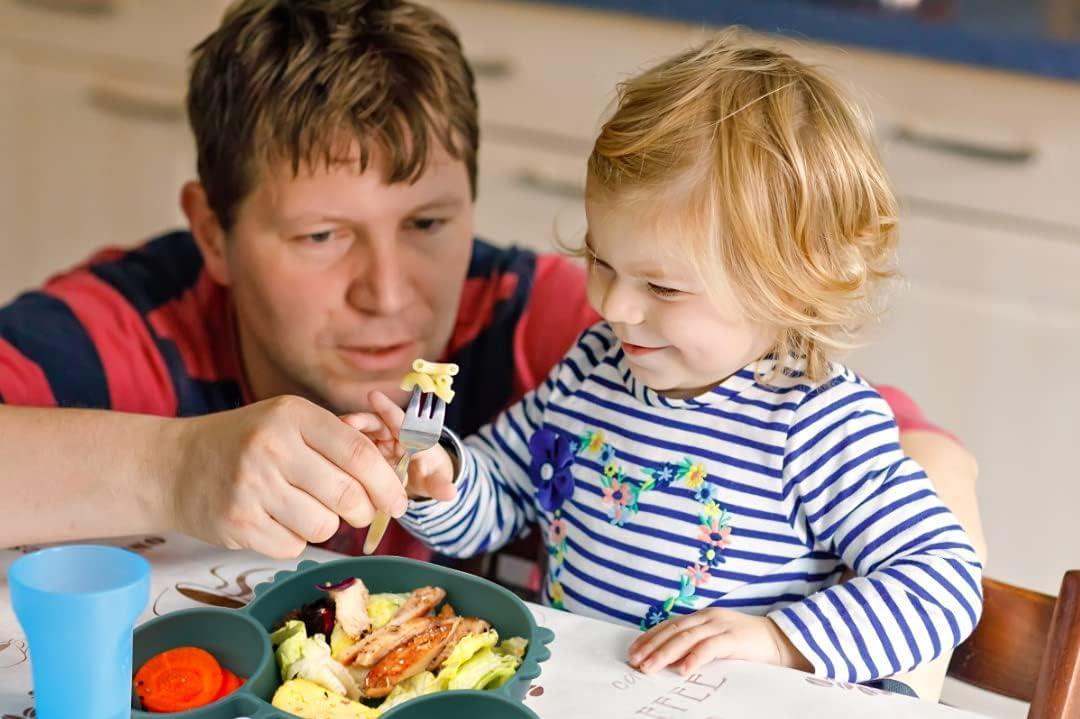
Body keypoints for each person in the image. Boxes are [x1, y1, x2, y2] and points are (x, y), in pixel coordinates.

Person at [0, 0, 983, 570]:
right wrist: (172, 469)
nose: (389, 291)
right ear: (213, 230)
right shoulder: (135, 327)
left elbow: (930, 461)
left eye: (429, 224)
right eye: (322, 236)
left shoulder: (558, 322)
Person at [349, 34, 983, 687]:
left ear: (789, 289)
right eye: (601, 262)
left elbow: (943, 582)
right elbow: (499, 500)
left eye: (662, 287)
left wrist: (777, 638)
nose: (613, 305)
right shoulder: (592, 371)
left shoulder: (814, 424)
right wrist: (438, 474)